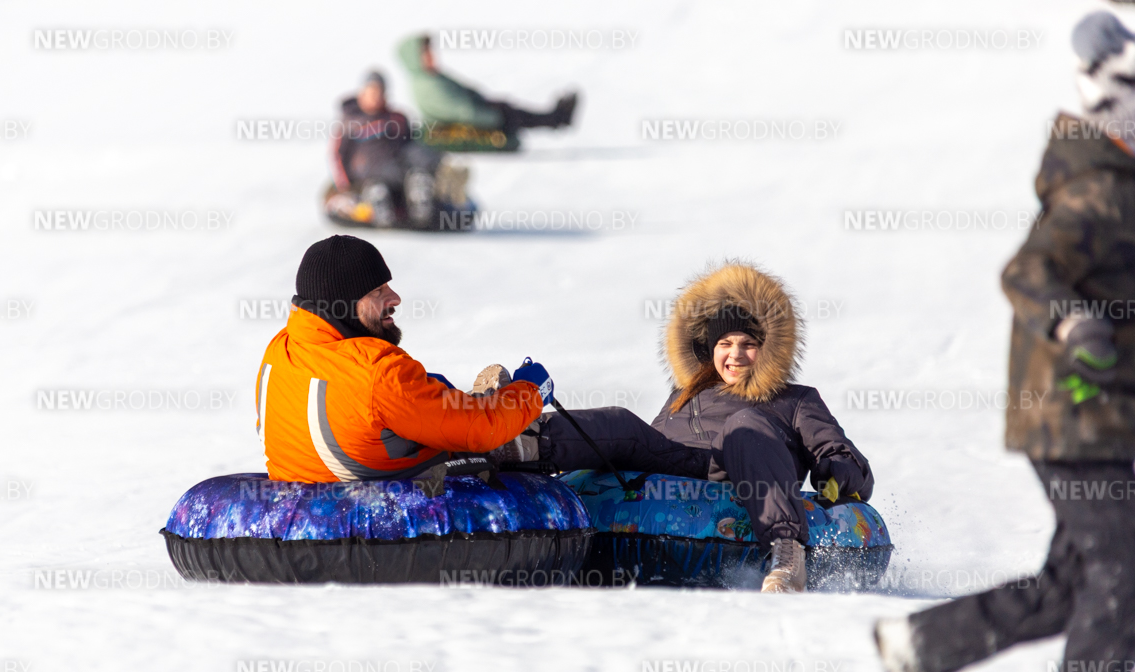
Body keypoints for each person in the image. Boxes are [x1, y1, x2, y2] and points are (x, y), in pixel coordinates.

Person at [874, 11, 1135, 672]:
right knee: (1126, 570)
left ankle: (924, 646)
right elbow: (1027, 273)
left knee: (1080, 579)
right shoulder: (1098, 191)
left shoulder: (1125, 189)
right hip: (1070, 412)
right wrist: (1074, 319)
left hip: (1098, 416)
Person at [256, 235, 706, 484]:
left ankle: (484, 393)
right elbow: (479, 431)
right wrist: (529, 391)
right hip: (429, 468)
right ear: (340, 305)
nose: (394, 298)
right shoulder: (375, 370)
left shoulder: (280, 351)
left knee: (439, 382)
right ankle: (718, 476)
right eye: (378, 293)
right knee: (618, 425)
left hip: (340, 469)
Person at [647, 262, 874, 593]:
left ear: (767, 351)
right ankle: (543, 458)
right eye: (724, 344)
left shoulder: (796, 400)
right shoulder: (683, 396)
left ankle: (787, 556)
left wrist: (836, 473)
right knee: (617, 422)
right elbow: (650, 444)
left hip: (738, 475)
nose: (735, 355)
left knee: (744, 425)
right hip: (678, 470)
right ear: (710, 350)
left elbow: (841, 455)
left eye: (747, 344)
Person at [326, 70, 463, 228]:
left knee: (418, 165)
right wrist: (345, 186)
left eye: (379, 92)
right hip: (369, 173)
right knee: (380, 184)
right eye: (372, 91)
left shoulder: (396, 118)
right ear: (362, 93)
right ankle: (378, 202)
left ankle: (422, 203)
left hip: (399, 168)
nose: (375, 97)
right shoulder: (351, 122)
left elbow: (413, 144)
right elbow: (338, 155)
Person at [396, 34, 577, 135]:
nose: (432, 56)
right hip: (468, 124)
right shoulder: (427, 86)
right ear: (415, 58)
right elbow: (459, 111)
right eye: (426, 53)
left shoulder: (433, 78)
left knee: (506, 107)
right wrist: (491, 118)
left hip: (476, 112)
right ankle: (556, 118)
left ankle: (555, 117)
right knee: (509, 114)